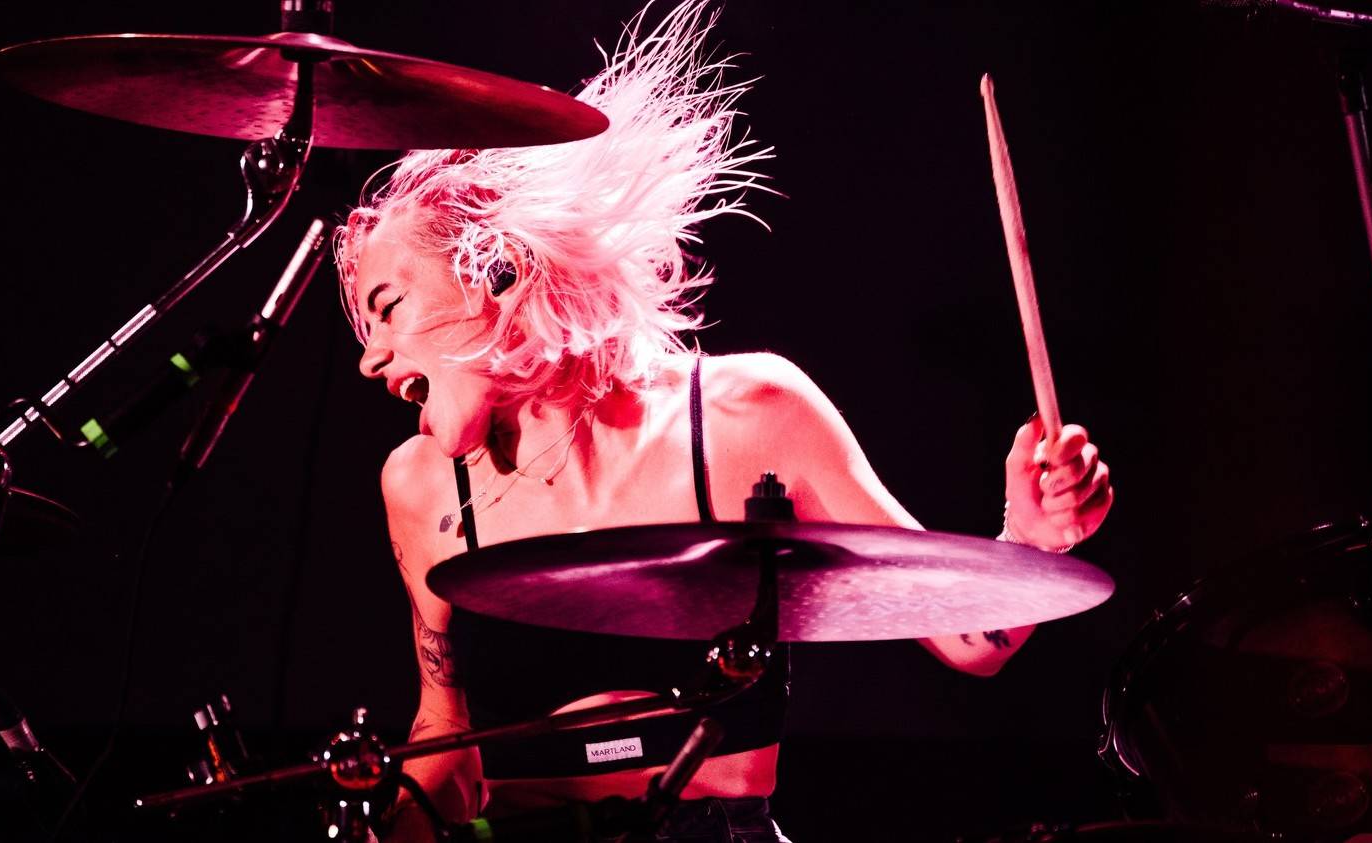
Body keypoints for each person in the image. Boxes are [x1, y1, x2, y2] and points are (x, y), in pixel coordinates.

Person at [335, 3, 1113, 840]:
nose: (371, 359)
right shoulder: (419, 486)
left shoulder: (748, 415)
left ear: (501, 271)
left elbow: (970, 642)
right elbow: (445, 730)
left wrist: (1033, 538)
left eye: (390, 307)